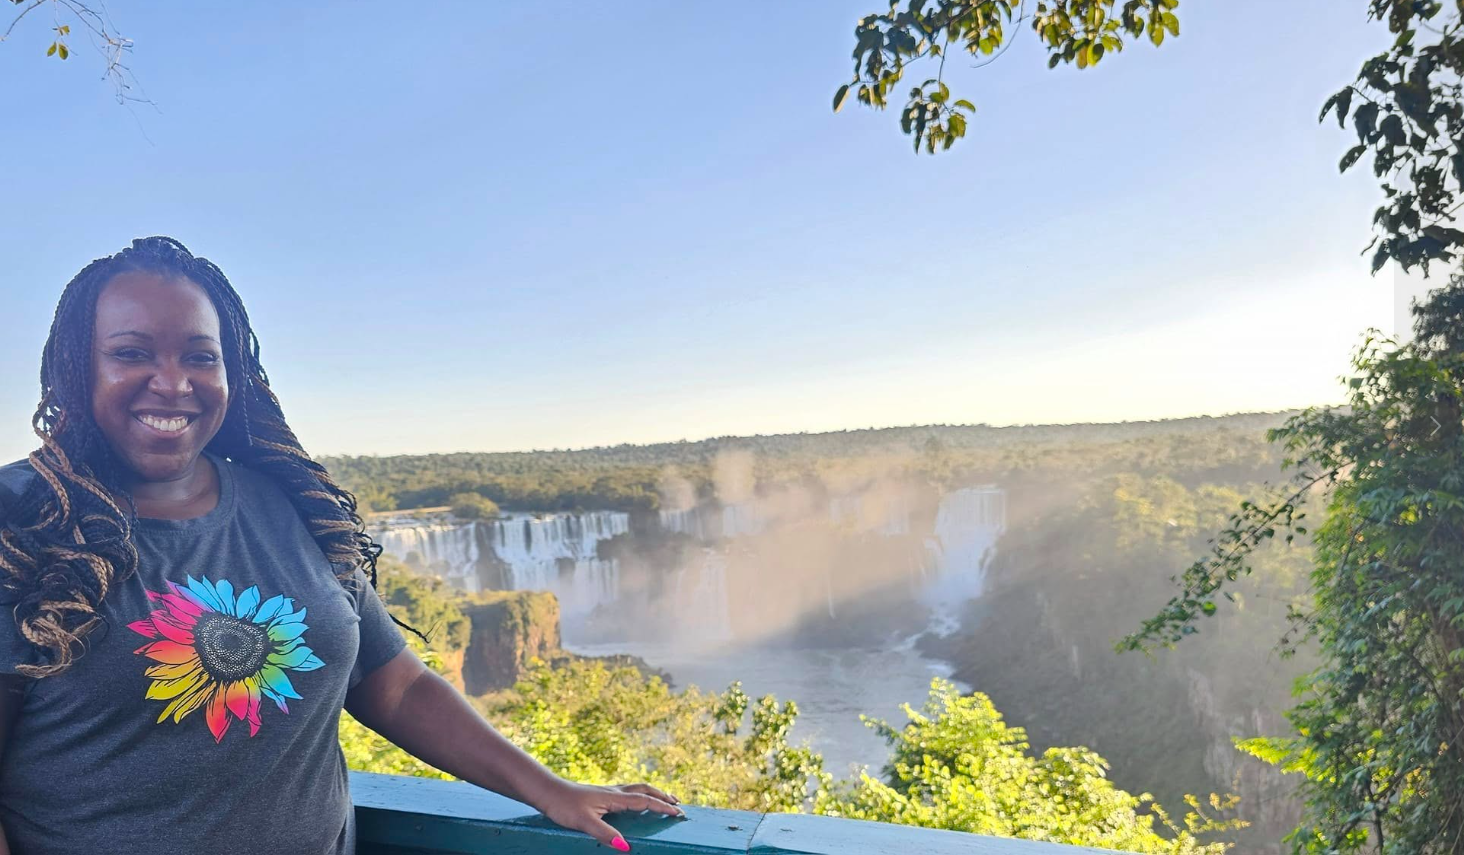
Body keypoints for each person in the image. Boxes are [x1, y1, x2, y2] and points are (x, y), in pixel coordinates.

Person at [0, 237, 684, 854]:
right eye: (131, 352)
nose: (173, 381)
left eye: (200, 357)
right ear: (75, 367)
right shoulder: (20, 524)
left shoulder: (288, 504)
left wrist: (549, 788)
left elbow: (395, 683)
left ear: (231, 372)